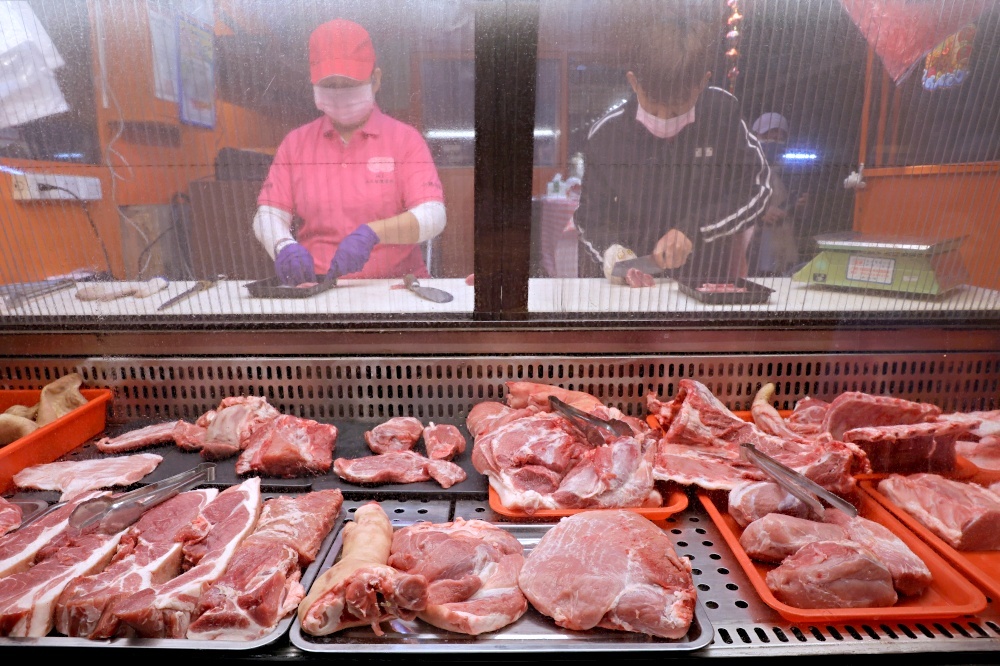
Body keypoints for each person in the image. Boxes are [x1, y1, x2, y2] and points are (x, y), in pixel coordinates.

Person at [574, 4, 772, 283]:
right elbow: (590, 217)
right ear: (634, 82)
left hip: (705, 282)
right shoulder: (607, 136)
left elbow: (757, 189)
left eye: (678, 108)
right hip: (630, 288)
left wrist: (694, 230)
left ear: (702, 84)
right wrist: (612, 252)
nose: (665, 119)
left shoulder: (721, 114)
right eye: (654, 109)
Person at [253, 18, 446, 284]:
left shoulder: (405, 140)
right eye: (330, 86)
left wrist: (373, 233)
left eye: (350, 84)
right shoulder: (295, 145)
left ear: (375, 80)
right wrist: (283, 244)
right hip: (318, 288)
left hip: (396, 288)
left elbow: (433, 216)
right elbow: (269, 214)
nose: (340, 94)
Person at [747, 112, 808, 276]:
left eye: (780, 135)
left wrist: (799, 206)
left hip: (783, 244)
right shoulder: (745, 164)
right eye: (769, 133)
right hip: (752, 242)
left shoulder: (791, 168)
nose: (775, 138)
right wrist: (760, 213)